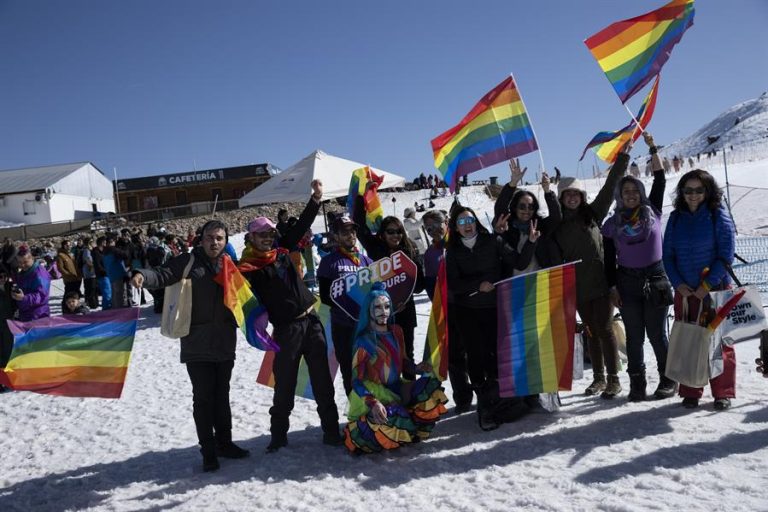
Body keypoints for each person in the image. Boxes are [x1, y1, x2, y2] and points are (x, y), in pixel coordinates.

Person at [131, 220, 250, 472]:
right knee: (203, 398)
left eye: (219, 238)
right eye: (209, 237)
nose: (214, 242)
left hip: (224, 342)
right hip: (196, 343)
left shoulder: (230, 265)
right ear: (201, 239)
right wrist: (142, 275)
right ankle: (208, 451)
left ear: (226, 241)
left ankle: (225, 443)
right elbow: (162, 274)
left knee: (222, 396)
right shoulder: (187, 262)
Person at [239, 179, 343, 453]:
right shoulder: (248, 269)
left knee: (322, 381)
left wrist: (315, 199)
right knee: (284, 385)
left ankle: (332, 432)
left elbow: (300, 227)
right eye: (261, 235)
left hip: (313, 321)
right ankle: (278, 437)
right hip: (287, 331)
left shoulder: (282, 251)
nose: (267, 238)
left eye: (270, 234)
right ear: (251, 238)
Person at [446, 205, 539, 430]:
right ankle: (484, 400)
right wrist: (477, 285)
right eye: (461, 222)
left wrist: (531, 242)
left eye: (470, 220)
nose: (467, 225)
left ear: (476, 222)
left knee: (497, 352)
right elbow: (454, 284)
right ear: (455, 228)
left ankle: (501, 398)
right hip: (467, 310)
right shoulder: (453, 251)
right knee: (474, 356)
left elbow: (519, 262)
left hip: (493, 307)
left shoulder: (492, 241)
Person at [552, 141, 631, 399]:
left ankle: (614, 379)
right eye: (567, 194)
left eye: (576, 194)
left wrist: (623, 158)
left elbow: (610, 186)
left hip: (602, 283)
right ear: (561, 198)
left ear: (582, 196)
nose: (572, 198)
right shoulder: (557, 225)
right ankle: (598, 378)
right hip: (578, 287)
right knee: (591, 331)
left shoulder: (593, 213)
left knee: (605, 329)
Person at [602, 132, 676, 401]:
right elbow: (609, 260)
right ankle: (637, 382)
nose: (631, 195)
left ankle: (668, 379)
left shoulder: (652, 209)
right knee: (634, 337)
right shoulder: (611, 225)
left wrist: (653, 148)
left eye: (635, 191)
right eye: (626, 192)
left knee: (657, 334)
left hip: (656, 278)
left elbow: (660, 178)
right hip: (627, 282)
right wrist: (612, 287)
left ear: (641, 193)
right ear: (619, 196)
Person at [662, 169, 736, 411]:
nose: (693, 195)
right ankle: (690, 389)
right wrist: (678, 284)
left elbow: (725, 256)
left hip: (714, 290)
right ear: (682, 193)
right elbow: (668, 255)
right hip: (686, 293)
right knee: (689, 340)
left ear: (708, 191)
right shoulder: (675, 218)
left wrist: (707, 285)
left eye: (699, 190)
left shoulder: (718, 215)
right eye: (688, 190)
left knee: (718, 342)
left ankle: (722, 392)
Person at [344, 283, 448, 453]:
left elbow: (403, 361)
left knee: (429, 387)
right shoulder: (363, 341)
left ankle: (410, 430)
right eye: (377, 307)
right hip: (374, 393)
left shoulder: (397, 331)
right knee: (393, 415)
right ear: (368, 310)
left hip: (397, 387)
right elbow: (356, 380)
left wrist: (417, 368)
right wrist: (373, 403)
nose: (383, 311)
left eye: (387, 306)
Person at [353, 211, 425, 364]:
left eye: (399, 231)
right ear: (383, 234)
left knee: (407, 356)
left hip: (405, 311)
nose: (395, 235)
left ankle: (409, 380)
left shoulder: (410, 249)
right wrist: (361, 198)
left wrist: (404, 295)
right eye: (390, 232)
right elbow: (359, 227)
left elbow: (419, 286)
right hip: (382, 312)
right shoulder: (376, 248)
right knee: (385, 358)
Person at [317, 214, 374, 396]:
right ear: (335, 235)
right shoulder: (328, 262)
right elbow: (326, 297)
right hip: (344, 327)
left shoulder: (367, 261)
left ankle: (375, 408)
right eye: (345, 232)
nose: (350, 235)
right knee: (350, 372)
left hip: (367, 326)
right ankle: (356, 408)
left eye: (352, 231)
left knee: (372, 369)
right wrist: (352, 302)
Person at [422, 209, 472, 413]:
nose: (434, 230)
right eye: (429, 228)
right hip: (448, 309)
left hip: (470, 305)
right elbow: (430, 286)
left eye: (437, 224)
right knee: (454, 355)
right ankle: (463, 397)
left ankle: (486, 392)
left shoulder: (461, 241)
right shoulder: (430, 254)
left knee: (476, 351)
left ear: (447, 222)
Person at [11, 245, 51, 321]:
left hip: (38, 314)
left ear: (32, 258)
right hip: (26, 313)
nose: (22, 265)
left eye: (25, 262)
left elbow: (42, 295)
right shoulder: (24, 272)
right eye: (20, 262)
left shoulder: (39, 273)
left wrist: (24, 298)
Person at [0, 268, 15, 393]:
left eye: (4, 276)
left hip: (10, 325)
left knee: (9, 352)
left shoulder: (11, 287)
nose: (2, 279)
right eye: (0, 276)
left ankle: (8, 380)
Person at [93, 236, 111, 310]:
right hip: (102, 275)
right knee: (107, 293)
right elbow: (98, 265)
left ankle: (107, 307)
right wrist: (105, 271)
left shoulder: (103, 252)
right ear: (102, 243)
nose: (106, 244)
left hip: (106, 274)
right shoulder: (96, 253)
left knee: (108, 292)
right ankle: (106, 309)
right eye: (105, 242)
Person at [80, 237, 99, 309]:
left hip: (92, 272)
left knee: (94, 288)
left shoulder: (91, 250)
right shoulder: (86, 250)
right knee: (90, 288)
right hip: (89, 272)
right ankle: (91, 303)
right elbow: (88, 260)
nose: (93, 243)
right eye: (91, 242)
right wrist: (94, 265)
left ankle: (94, 303)